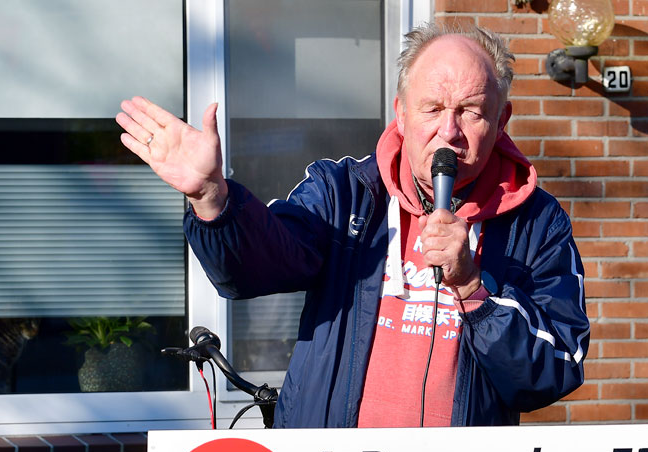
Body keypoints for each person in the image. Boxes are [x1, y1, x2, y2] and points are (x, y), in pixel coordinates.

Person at [116, 22, 589, 428]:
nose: (449, 131)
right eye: (432, 109)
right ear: (401, 113)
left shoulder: (538, 223)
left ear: (501, 120)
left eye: (470, 111)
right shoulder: (344, 193)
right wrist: (211, 197)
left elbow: (553, 370)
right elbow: (254, 269)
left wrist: (472, 288)